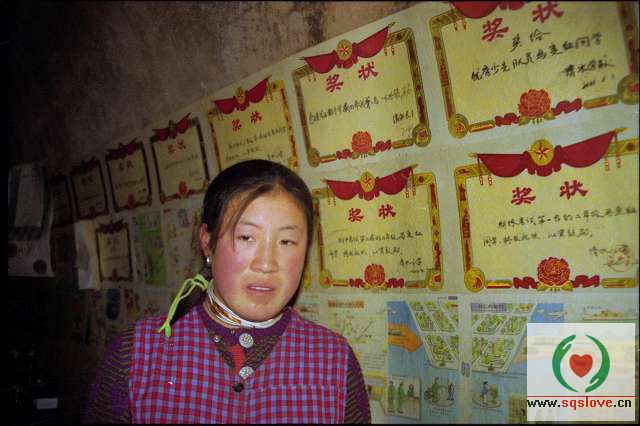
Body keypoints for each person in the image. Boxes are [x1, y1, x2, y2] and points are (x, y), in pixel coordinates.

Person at [83, 160, 371, 423]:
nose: (266, 264)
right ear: (207, 242)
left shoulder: (335, 361)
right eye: (246, 237)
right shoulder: (135, 356)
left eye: (286, 242)